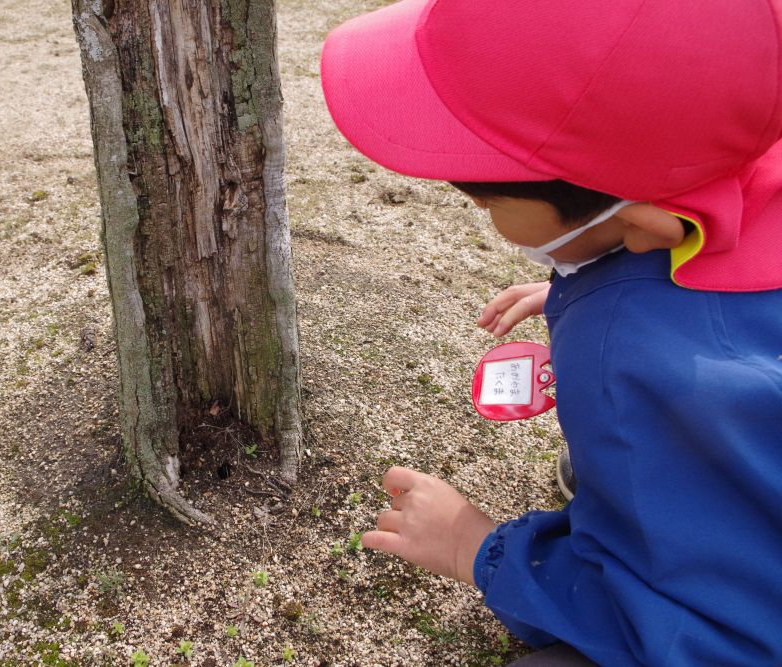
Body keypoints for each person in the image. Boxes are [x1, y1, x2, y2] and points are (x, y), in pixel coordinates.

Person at [319, 0, 782, 665]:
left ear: (645, 226)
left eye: (490, 203)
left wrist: (475, 547)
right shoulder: (740, 154)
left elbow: (707, 634)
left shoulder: (618, 359)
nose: (483, 213)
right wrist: (599, 285)